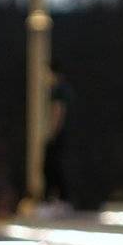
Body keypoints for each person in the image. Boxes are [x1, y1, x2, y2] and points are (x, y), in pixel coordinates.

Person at [43, 62, 73, 204]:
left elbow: (58, 111)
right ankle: (61, 198)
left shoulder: (58, 90)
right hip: (64, 135)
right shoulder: (66, 89)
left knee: (51, 166)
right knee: (57, 165)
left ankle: (56, 198)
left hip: (58, 135)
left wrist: (52, 132)